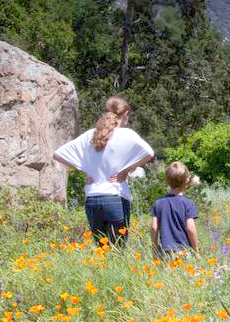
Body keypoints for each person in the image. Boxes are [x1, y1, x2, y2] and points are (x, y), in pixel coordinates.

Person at [53, 96, 154, 246]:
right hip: (116, 197)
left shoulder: (90, 135)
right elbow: (149, 153)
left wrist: (85, 169)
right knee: (118, 251)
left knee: (102, 251)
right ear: (125, 113)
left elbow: (58, 154)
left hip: (92, 199)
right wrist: (125, 171)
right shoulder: (127, 134)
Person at [151, 161, 199, 256]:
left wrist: (155, 248)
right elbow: (191, 228)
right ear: (186, 181)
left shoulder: (158, 203)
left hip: (165, 251)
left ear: (167, 181)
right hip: (183, 251)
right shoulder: (188, 204)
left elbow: (154, 227)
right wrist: (196, 250)